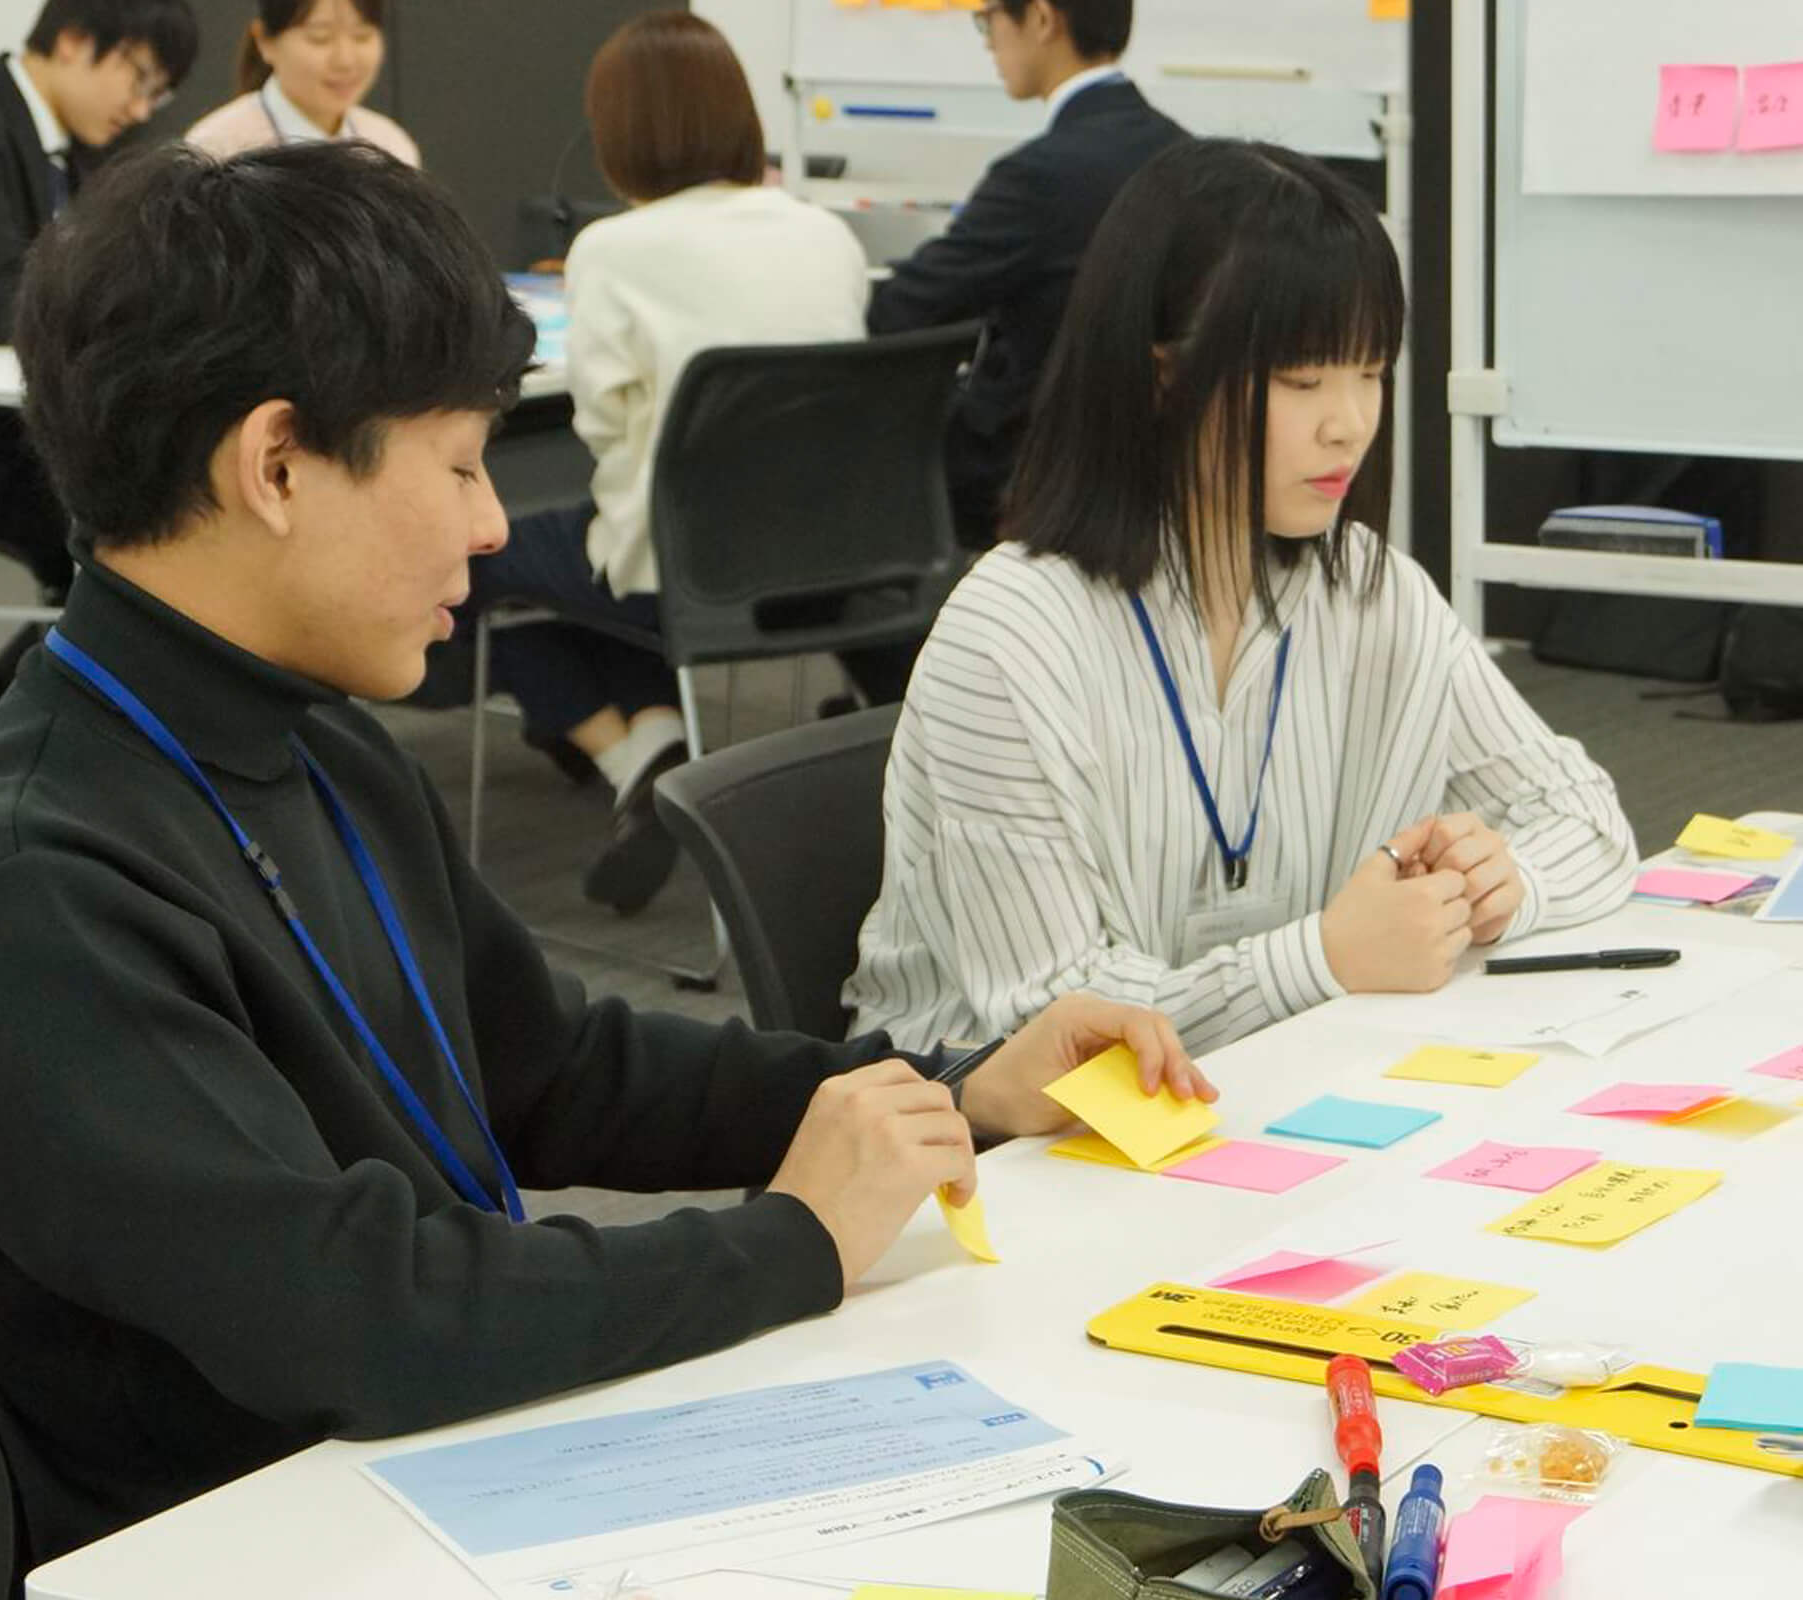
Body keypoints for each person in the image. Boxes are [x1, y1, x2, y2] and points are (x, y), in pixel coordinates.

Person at [0, 140, 1214, 1570]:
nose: (493, 522)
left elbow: (553, 1073)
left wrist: (952, 1093)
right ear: (276, 463)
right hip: (274, 1544)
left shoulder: (316, 746)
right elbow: (355, 1315)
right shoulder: (17, 889)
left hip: (459, 1483)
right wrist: (793, 1240)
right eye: (457, 463)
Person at [845, 140, 1636, 1058]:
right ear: (1163, 376)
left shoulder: (1370, 593)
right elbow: (1050, 1021)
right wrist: (1324, 960)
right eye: (1303, 382)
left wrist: (1505, 883)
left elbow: (1586, 820)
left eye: (1371, 372)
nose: (1350, 423)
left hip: (1265, 1097)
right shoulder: (1013, 635)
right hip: (994, 1150)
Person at [454, 11, 868, 914]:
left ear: (620, 132)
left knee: (480, 555)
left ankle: (632, 752)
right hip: (829, 562)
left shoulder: (612, 249)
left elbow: (600, 424)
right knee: (597, 558)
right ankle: (650, 744)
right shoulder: (824, 234)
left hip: (685, 569)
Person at [0, 0, 198, 602]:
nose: (138, 109)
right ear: (76, 41)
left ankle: (71, 669)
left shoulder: (79, 149)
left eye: (156, 97)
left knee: (150, 480)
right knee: (131, 497)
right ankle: (63, 677)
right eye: (139, 79)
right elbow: (6, 305)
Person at [866, 0, 1186, 549]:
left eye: (988, 19)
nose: (987, 40)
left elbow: (900, 310)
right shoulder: (1182, 152)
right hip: (1153, 463)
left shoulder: (1039, 174)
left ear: (1041, 19)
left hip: (1024, 469)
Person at [181, 0, 418, 167]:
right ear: (265, 41)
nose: (345, 60)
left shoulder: (389, 145)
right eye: (320, 38)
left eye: (362, 36)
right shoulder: (215, 148)